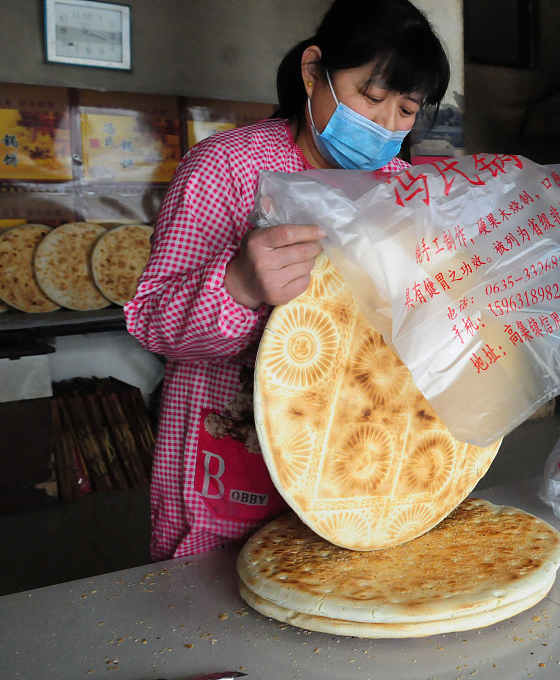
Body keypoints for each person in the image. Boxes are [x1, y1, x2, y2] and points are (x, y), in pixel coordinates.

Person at [125, 0, 450, 561]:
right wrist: (240, 287)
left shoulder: (401, 191)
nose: (384, 125)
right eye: (370, 98)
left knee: (340, 603)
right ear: (312, 71)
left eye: (405, 109)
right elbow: (152, 320)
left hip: (352, 452)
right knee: (215, 616)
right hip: (231, 449)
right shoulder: (225, 168)